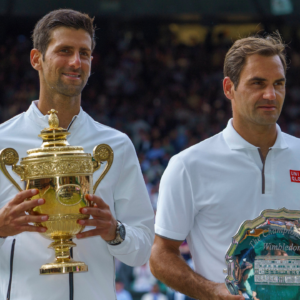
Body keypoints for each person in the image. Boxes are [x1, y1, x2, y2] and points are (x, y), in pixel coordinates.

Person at [0, 9, 154, 300]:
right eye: (65, 51)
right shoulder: (2, 141)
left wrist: (114, 231)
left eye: (84, 53)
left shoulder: (115, 145)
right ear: (37, 59)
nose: (76, 62)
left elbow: (144, 247)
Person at [150, 32, 300, 300]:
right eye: (258, 83)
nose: (271, 94)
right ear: (229, 87)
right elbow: (160, 255)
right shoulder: (188, 165)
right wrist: (213, 292)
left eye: (279, 83)